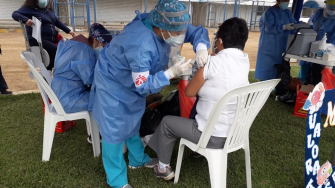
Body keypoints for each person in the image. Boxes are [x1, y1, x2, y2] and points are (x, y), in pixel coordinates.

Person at [89, 0, 210, 187]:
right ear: (162, 29)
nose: (181, 36)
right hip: (112, 81)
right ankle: (117, 180)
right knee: (113, 130)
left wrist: (201, 48)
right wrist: (169, 73)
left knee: (133, 118)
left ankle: (137, 159)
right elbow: (143, 85)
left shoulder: (160, 22)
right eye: (177, 33)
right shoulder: (141, 43)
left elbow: (192, 31)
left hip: (130, 80)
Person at [147, 17, 250, 180]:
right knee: (201, 109)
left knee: (167, 123)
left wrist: (199, 69)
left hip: (212, 136)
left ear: (220, 41)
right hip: (235, 133)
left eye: (216, 39)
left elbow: (189, 92)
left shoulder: (213, 62)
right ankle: (193, 151)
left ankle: (162, 168)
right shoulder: (244, 61)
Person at [51, 23, 112, 114]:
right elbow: (90, 80)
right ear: (96, 41)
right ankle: (104, 128)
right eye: (103, 46)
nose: (103, 50)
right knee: (108, 101)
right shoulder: (85, 51)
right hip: (68, 99)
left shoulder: (76, 45)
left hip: (60, 93)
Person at [12, 0, 75, 70]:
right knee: (57, 50)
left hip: (51, 40)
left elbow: (56, 21)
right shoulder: (28, 9)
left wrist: (68, 31)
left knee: (62, 53)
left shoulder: (48, 10)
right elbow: (15, 14)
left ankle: (47, 74)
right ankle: (56, 71)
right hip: (37, 40)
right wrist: (26, 20)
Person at [255, 0, 297, 81]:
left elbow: (294, 23)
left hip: (282, 46)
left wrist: (301, 25)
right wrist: (283, 27)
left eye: (288, 0)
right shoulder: (269, 12)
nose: (286, 2)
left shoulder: (287, 12)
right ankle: (265, 89)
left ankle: (277, 87)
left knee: (279, 69)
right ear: (278, 0)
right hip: (269, 48)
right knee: (267, 68)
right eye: (285, 0)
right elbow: (269, 28)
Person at [298, 0, 335, 84]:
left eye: (334, 8)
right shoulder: (319, 13)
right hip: (312, 44)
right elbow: (310, 26)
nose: (332, 9)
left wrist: (328, 47)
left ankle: (320, 91)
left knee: (324, 73)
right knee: (306, 65)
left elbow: (334, 40)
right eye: (330, 6)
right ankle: (303, 88)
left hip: (328, 50)